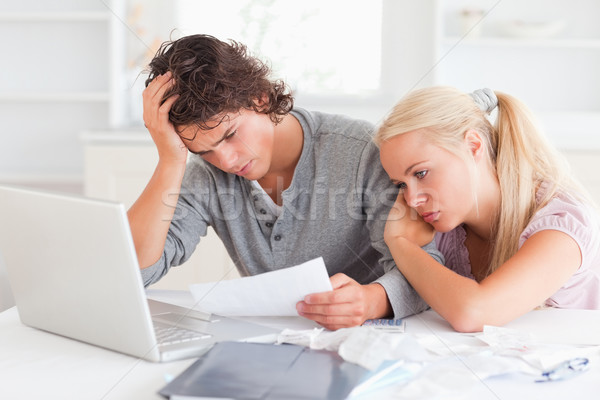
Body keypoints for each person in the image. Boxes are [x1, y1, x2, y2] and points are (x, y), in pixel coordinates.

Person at [127, 34, 443, 330]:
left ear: (261, 98)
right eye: (204, 150)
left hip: (372, 340)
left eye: (231, 135)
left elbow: (427, 271)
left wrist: (374, 301)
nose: (226, 161)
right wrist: (171, 160)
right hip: (270, 344)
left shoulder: (363, 151)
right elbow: (136, 272)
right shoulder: (206, 174)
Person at [375, 86, 600, 332]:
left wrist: (399, 242)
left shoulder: (562, 222)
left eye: (421, 173)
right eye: (401, 185)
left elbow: (473, 313)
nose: (411, 200)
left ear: (473, 146)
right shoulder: (442, 231)